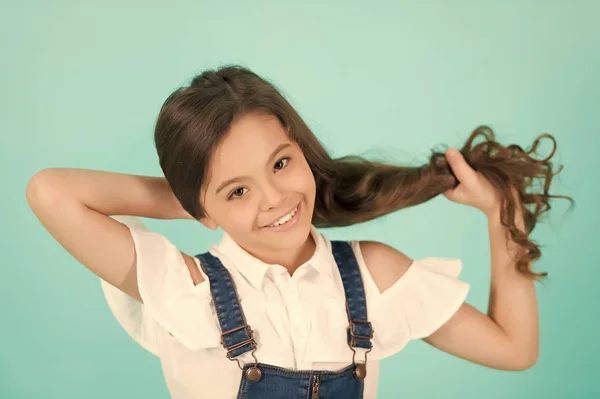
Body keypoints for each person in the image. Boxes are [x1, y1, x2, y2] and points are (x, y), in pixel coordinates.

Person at [26, 65, 569, 399]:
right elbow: (50, 192)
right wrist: (194, 200)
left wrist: (505, 214)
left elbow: (515, 348)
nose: (276, 199)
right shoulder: (181, 287)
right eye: (238, 190)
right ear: (203, 208)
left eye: (281, 164)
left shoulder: (372, 274)